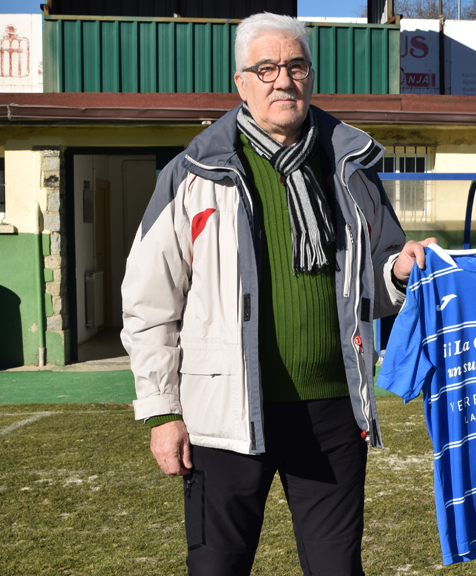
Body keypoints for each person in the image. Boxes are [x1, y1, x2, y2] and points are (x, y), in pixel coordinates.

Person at [121, 13, 431, 576]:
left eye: (294, 65)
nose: (281, 80)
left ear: (310, 77)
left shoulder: (350, 167)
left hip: (334, 411)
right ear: (240, 82)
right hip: (226, 416)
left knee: (337, 569)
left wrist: (403, 273)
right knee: (218, 567)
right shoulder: (194, 173)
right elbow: (148, 303)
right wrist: (162, 411)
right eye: (265, 68)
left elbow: (379, 282)